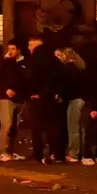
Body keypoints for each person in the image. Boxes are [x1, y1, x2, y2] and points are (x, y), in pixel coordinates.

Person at [25, 35, 63, 164]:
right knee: (52, 127)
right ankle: (54, 153)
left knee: (37, 128)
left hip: (38, 99)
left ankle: (38, 154)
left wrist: (34, 92)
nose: (29, 48)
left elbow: (30, 79)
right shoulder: (55, 61)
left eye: (31, 46)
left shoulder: (34, 61)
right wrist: (56, 93)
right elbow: (60, 79)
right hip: (51, 98)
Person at [0, 40, 28, 162]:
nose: (10, 52)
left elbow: (24, 78)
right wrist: (6, 89)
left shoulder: (23, 63)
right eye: (9, 49)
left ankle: (11, 150)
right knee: (7, 124)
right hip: (6, 98)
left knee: (15, 126)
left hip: (19, 98)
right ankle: (3, 151)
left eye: (13, 49)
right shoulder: (5, 63)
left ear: (19, 50)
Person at [58, 48, 86, 163]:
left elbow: (66, 86)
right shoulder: (79, 68)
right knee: (81, 129)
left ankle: (74, 153)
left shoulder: (67, 69)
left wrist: (60, 96)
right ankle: (82, 152)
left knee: (73, 129)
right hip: (81, 100)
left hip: (73, 101)